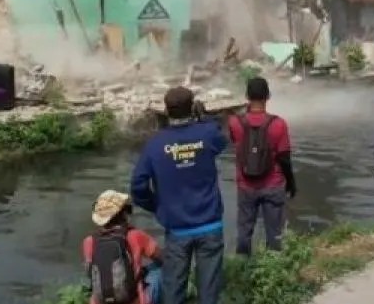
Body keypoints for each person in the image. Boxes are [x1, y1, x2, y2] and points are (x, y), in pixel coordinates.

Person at [130, 87, 226, 304]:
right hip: (210, 224)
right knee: (209, 292)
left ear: (166, 110)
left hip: (177, 229)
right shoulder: (207, 133)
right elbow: (222, 139)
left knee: (173, 291)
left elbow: (137, 186)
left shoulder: (155, 144)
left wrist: (157, 205)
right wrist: (203, 119)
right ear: (192, 107)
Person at [227, 77, 295, 256]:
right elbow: (284, 158)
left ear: (246, 96)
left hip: (245, 185)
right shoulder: (278, 124)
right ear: (268, 96)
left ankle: (243, 268)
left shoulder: (235, 122)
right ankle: (273, 269)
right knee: (275, 234)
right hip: (273, 185)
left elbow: (236, 143)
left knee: (244, 232)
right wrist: (291, 183)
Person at [82, 190, 162, 304]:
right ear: (123, 214)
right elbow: (162, 258)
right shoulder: (135, 235)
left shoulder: (89, 242)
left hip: (100, 300)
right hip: (135, 300)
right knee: (161, 270)